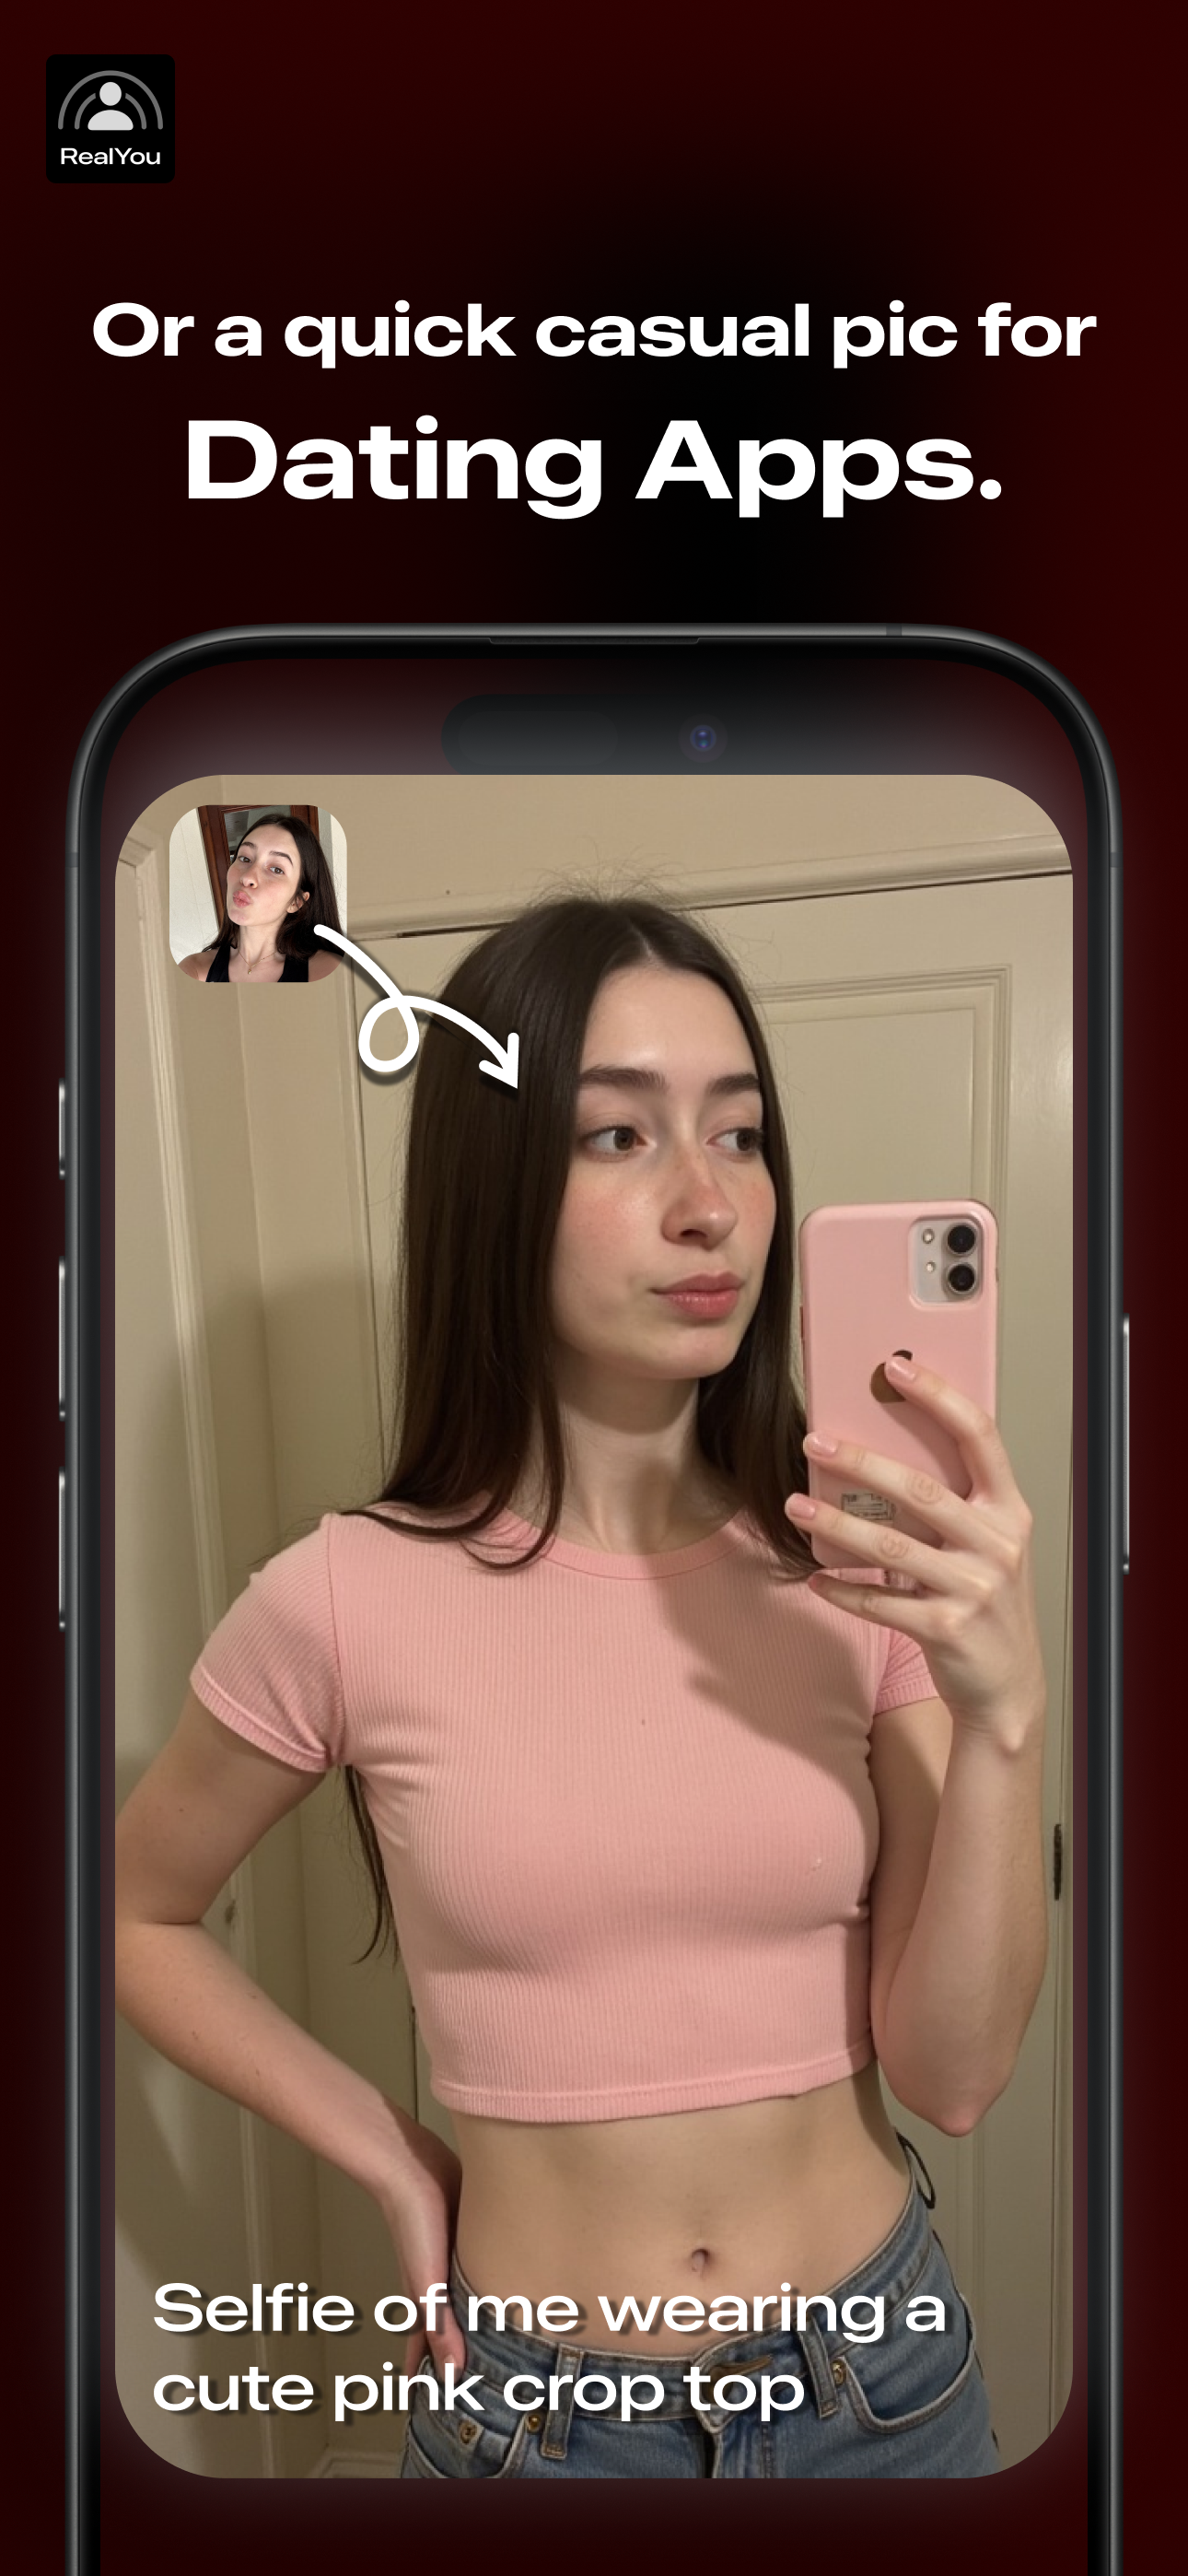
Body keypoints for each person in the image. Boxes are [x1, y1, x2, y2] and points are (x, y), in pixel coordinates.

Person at [116, 896, 1048, 2479]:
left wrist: (1006, 1721)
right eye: (619, 1136)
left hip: (879, 2393)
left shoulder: (854, 1568)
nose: (711, 1205)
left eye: (740, 1136)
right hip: (539, 2426)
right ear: (493, 1181)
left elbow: (953, 2079)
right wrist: (390, 2156)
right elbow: (133, 1914)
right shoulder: (342, 1595)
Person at [179, 812, 343, 983]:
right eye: (245, 858)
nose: (247, 878)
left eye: (276, 869)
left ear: (296, 901)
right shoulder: (194, 970)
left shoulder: (330, 973)